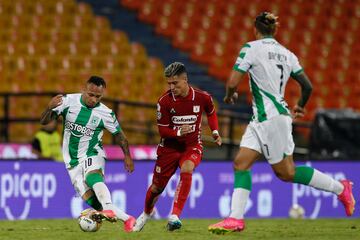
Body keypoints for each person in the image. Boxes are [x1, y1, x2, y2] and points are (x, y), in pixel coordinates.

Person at [208, 12, 355, 234]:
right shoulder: (288, 54)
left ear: (255, 30)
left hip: (270, 119)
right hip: (262, 118)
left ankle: (340, 188)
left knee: (286, 173)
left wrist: (229, 96)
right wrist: (301, 105)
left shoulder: (251, 48)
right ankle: (235, 219)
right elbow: (307, 86)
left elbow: (232, 82)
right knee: (241, 163)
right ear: (274, 31)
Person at [133, 62, 222, 232]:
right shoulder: (164, 102)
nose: (172, 87)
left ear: (185, 80)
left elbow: (211, 111)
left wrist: (215, 131)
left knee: (187, 168)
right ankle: (146, 213)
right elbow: (163, 130)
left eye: (175, 83)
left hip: (192, 146)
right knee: (156, 188)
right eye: (169, 84)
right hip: (169, 149)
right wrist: (179, 132)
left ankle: (174, 216)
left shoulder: (203, 97)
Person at [40, 76, 136, 232]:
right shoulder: (67, 101)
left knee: (91, 176)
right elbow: (44, 121)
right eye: (91, 94)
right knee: (93, 201)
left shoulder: (105, 113)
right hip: (72, 160)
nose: (94, 99)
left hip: (93, 152)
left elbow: (120, 135)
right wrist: (49, 107)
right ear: (84, 89)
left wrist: (127, 156)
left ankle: (109, 208)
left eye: (98, 96)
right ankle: (128, 219)